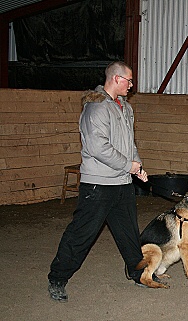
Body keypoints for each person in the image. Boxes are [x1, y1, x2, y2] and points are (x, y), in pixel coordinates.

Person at [48, 61, 150, 302]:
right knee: (82, 233)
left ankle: (136, 272)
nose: (132, 85)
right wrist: (128, 165)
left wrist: (137, 167)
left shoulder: (125, 107)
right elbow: (97, 147)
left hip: (122, 183)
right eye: (129, 80)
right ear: (116, 79)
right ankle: (57, 279)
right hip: (98, 185)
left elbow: (129, 143)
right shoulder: (96, 108)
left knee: (128, 232)